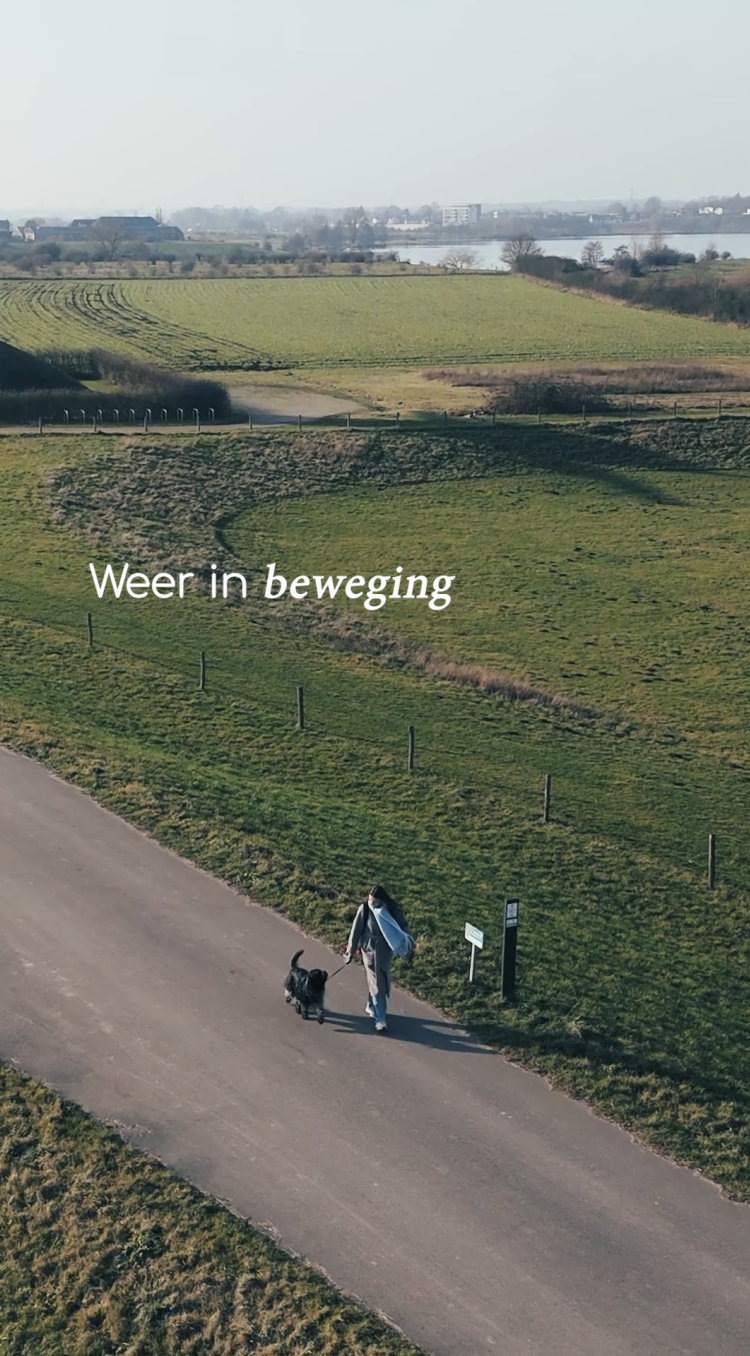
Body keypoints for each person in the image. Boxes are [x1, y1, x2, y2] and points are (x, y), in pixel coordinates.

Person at [345, 884, 410, 1033]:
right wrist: (350, 952)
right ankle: (380, 1019)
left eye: (375, 902)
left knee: (380, 979)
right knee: (377, 984)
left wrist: (407, 943)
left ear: (382, 901)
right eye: (370, 900)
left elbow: (402, 928)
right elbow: (356, 931)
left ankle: (371, 1004)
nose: (371, 904)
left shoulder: (392, 912)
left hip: (385, 952)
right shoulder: (365, 909)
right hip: (369, 951)